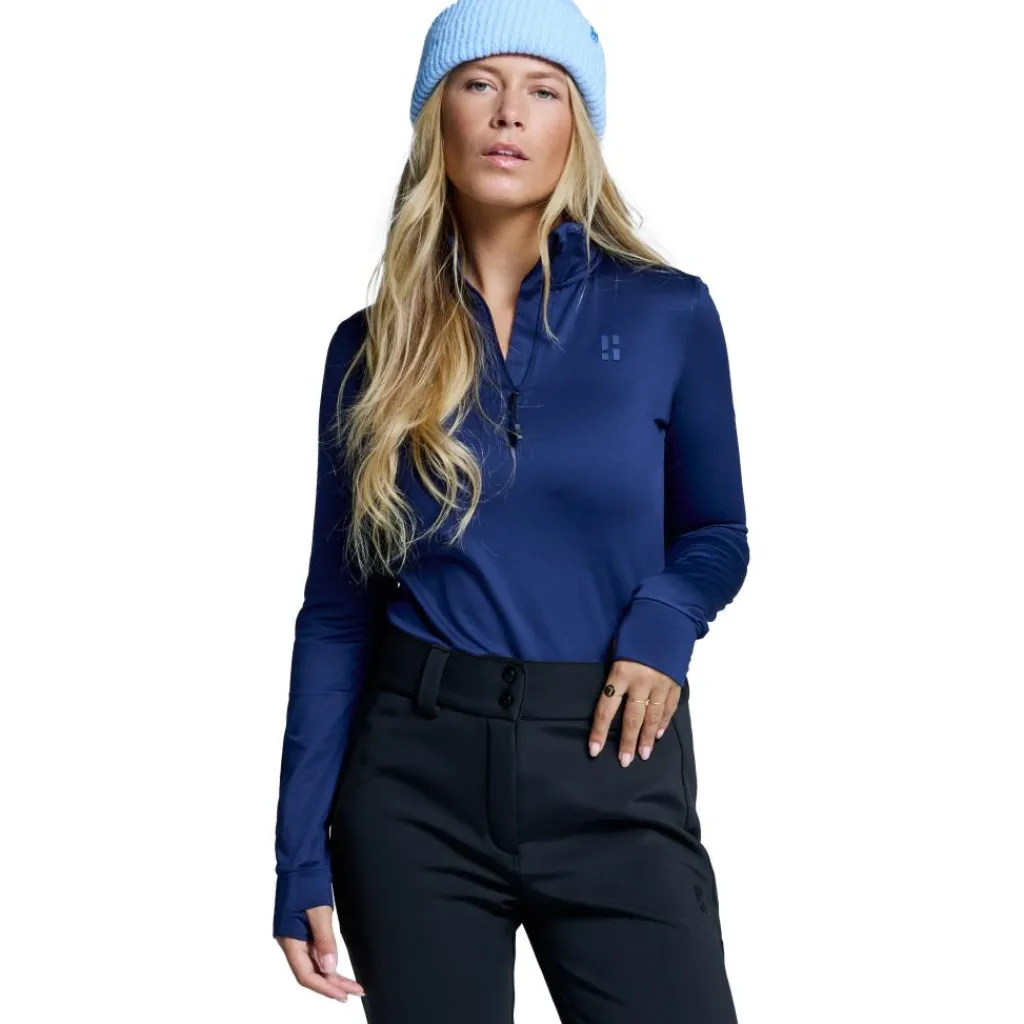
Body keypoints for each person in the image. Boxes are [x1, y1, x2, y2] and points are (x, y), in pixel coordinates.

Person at [272, 0, 750, 1020]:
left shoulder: (666, 313)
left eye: (545, 91)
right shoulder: (370, 348)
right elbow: (337, 613)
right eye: (478, 84)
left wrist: (664, 623)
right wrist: (296, 853)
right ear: (436, 117)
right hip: (413, 784)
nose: (509, 114)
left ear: (579, 127)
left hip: (611, 759)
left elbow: (715, 531)